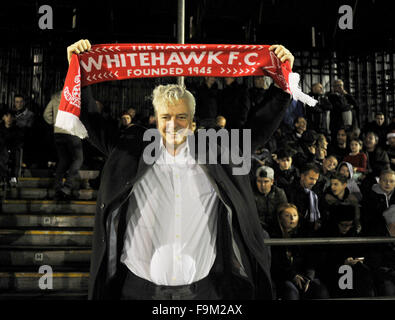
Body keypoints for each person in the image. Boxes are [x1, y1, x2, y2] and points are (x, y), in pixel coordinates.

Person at [66, 39, 294, 300]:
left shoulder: (216, 152)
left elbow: (258, 129)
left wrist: (281, 81)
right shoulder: (131, 150)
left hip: (203, 290)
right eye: (166, 117)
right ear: (155, 118)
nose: (173, 124)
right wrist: (79, 71)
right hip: (136, 288)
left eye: (181, 117)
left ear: (193, 120)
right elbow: (92, 121)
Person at [269, 203, 330, 300]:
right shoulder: (273, 237)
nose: (292, 219)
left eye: (295, 215)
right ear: (280, 218)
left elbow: (311, 259)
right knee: (290, 292)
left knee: (320, 290)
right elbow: (276, 264)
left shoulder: (304, 235)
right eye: (287, 216)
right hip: (285, 277)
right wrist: (292, 275)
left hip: (305, 276)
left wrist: (308, 278)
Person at [318, 205, 375, 298]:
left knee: (363, 272)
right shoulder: (325, 233)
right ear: (336, 223)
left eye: (350, 225)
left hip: (350, 268)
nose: (347, 228)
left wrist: (357, 259)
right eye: (343, 225)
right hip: (331, 270)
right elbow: (323, 260)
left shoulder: (353, 233)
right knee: (345, 271)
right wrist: (342, 262)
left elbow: (359, 251)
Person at [43, 90, 84, 200]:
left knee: (64, 160)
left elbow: (46, 114)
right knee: (78, 159)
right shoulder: (75, 97)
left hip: (58, 132)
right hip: (72, 132)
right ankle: (67, 186)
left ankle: (57, 186)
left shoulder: (55, 97)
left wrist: (56, 124)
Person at [284, 163, 321, 236]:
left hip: (312, 232)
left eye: (315, 180)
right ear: (302, 176)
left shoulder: (316, 192)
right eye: (311, 178)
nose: (313, 182)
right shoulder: (290, 190)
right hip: (295, 231)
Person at [365, 208, 395, 296]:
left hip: (390, 271)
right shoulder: (378, 236)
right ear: (392, 225)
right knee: (389, 288)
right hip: (383, 273)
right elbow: (375, 262)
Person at [253, 166, 287, 232]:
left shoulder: (279, 193)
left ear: (272, 182)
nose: (262, 185)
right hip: (257, 229)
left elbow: (283, 213)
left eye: (266, 181)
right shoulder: (251, 193)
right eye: (259, 181)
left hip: (277, 228)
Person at [361, 169, 395, 235]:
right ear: (379, 181)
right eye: (384, 180)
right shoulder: (369, 196)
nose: (388, 183)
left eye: (392, 181)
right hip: (376, 233)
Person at [0, 109, 24, 187]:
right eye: (7, 116)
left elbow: (19, 143)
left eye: (11, 116)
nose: (9, 118)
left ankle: (13, 178)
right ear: (3, 117)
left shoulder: (17, 130)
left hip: (13, 153)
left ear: (13, 118)